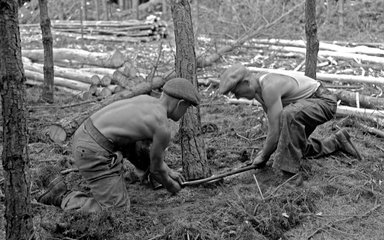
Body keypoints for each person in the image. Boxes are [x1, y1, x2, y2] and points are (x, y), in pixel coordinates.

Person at [37, 77, 200, 212]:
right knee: (116, 210)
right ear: (180, 104)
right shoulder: (162, 127)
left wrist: (168, 170)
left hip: (85, 134)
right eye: (186, 108)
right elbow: (157, 168)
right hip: (92, 150)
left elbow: (153, 158)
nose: (185, 112)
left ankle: (145, 177)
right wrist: (171, 185)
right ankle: (62, 196)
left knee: (144, 145)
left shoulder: (147, 100)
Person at [219, 63, 362, 184]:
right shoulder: (258, 91)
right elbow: (275, 127)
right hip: (305, 106)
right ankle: (337, 141)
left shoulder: (269, 86)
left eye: (235, 92)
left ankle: (291, 176)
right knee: (292, 145)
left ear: (246, 83)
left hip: (324, 101)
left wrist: (264, 155)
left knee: (288, 116)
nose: (237, 97)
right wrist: (273, 149)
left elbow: (276, 128)